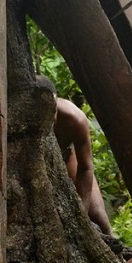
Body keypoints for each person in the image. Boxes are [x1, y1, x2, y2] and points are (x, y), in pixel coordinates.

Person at [39, 76, 113, 235]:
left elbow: (86, 167)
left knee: (98, 215)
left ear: (56, 101)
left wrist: (82, 214)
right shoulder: (22, 116)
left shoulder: (75, 119)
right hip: (38, 165)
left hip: (67, 158)